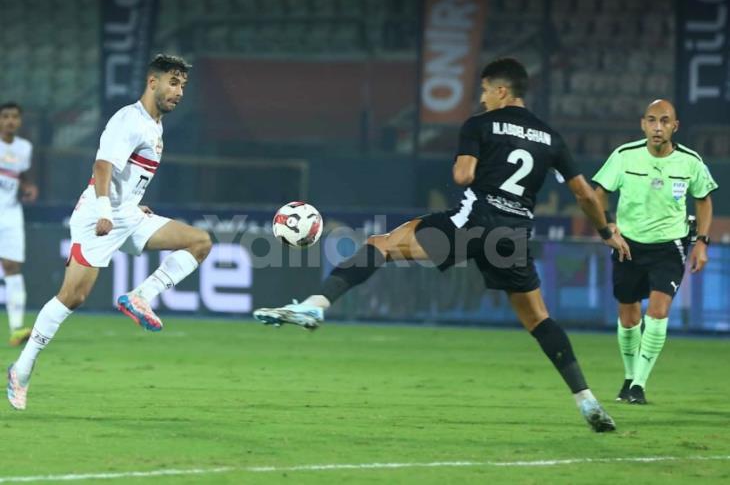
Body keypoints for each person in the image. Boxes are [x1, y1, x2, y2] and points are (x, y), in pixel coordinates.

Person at [254, 58, 631, 432]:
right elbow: (583, 193)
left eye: (485, 91)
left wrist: (472, 164)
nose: (482, 99)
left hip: (474, 221)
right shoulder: (551, 137)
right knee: (539, 320)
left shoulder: (480, 124)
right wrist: (605, 231)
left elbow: (463, 175)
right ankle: (586, 401)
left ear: (501, 90)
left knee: (381, 244)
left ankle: (316, 305)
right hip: (513, 235)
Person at [7, 55, 213, 411]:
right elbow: (103, 165)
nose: (179, 92)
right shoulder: (128, 119)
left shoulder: (155, 125)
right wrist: (105, 210)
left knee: (199, 242)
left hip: (127, 215)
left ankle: (140, 296)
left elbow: (129, 176)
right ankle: (22, 369)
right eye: (173, 83)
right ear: (153, 82)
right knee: (72, 298)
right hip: (97, 217)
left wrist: (132, 204)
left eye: (183, 85)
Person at [593, 99, 717, 405]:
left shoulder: (690, 161)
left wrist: (701, 241)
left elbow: (703, 199)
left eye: (664, 121)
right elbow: (597, 195)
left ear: (675, 126)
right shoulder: (624, 156)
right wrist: (609, 227)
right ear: (642, 124)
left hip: (670, 245)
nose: (657, 127)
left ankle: (639, 384)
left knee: (658, 312)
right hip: (629, 245)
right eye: (652, 120)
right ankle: (629, 377)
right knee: (628, 318)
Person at [0, 102, 38, 347]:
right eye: (5, 117)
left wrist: (27, 187)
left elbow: (19, 174)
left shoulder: (25, 147)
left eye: (15, 117)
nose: (10, 121)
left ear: (20, 121)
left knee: (12, 266)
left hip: (12, 213)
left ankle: (16, 328)